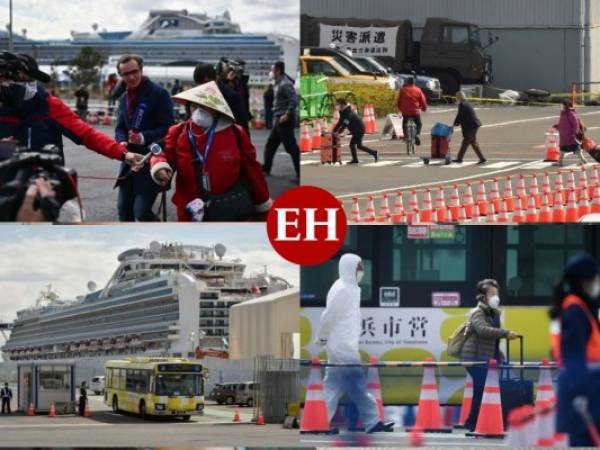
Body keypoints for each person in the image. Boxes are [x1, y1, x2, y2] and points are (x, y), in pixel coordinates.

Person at [150, 81, 272, 222]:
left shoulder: (236, 133)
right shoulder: (178, 132)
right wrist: (159, 166)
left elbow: (253, 170)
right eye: (195, 105)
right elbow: (164, 153)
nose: (199, 111)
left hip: (228, 207)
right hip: (188, 208)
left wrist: (262, 205)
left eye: (205, 106)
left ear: (217, 109)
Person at [0, 52, 143, 166]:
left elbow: (88, 134)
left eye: (27, 80)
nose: (11, 86)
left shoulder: (49, 105)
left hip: (45, 187)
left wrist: (123, 154)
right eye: (7, 80)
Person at [315, 253, 394, 433]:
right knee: (357, 384)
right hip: (342, 347)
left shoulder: (352, 288)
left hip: (346, 344)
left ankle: (319, 422)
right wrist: (322, 336)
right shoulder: (341, 289)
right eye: (359, 268)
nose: (362, 272)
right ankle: (372, 421)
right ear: (349, 268)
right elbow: (329, 315)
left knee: (332, 386)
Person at [114, 54, 175, 222]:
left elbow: (169, 129)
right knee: (123, 212)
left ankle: (157, 234)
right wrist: (121, 141)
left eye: (135, 71)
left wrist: (143, 138)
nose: (131, 77)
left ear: (141, 70)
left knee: (141, 212)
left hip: (151, 160)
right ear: (121, 76)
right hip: (129, 161)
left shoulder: (159, 94)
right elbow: (120, 127)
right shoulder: (124, 97)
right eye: (126, 74)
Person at [549, 255, 600, 447]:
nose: (597, 284)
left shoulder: (577, 308)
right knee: (583, 442)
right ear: (583, 281)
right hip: (584, 394)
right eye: (595, 279)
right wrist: (580, 393)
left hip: (586, 390)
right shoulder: (575, 311)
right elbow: (574, 355)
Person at [460, 278, 519, 431]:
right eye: (491, 293)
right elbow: (483, 331)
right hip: (473, 358)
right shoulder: (477, 313)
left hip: (486, 358)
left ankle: (473, 422)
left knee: (481, 389)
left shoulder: (495, 314)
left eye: (496, 293)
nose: (495, 297)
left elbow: (493, 341)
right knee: (481, 388)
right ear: (483, 297)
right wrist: (506, 333)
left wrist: (499, 356)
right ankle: (473, 422)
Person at [263, 62, 300, 178]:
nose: (271, 72)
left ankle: (299, 172)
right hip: (278, 119)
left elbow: (294, 100)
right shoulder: (278, 83)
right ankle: (266, 169)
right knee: (271, 145)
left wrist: (287, 114)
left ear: (278, 70)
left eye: (273, 70)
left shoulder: (285, 84)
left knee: (291, 148)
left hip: (284, 120)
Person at [193, 63, 249, 134]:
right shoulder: (195, 94)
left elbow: (242, 123)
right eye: (199, 84)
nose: (203, 87)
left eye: (205, 82)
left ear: (216, 78)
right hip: (201, 138)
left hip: (226, 138)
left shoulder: (230, 96)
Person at [332, 98, 378, 164]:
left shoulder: (348, 112)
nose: (336, 105)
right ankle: (356, 159)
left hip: (359, 129)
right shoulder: (342, 111)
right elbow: (340, 122)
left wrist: (338, 132)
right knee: (353, 145)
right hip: (355, 129)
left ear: (342, 105)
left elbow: (345, 123)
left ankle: (374, 153)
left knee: (358, 145)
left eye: (337, 104)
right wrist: (334, 130)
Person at [452, 91, 486, 164]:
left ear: (459, 97)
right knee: (469, 142)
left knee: (469, 142)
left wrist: (455, 124)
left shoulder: (462, 104)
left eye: (457, 97)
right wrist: (456, 123)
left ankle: (460, 158)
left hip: (471, 126)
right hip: (474, 125)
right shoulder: (467, 103)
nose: (456, 98)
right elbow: (462, 115)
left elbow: (459, 115)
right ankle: (481, 158)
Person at [553, 99, 588, 167]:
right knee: (563, 148)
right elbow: (562, 123)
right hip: (564, 134)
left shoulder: (571, 113)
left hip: (570, 134)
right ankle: (560, 162)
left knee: (575, 147)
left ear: (566, 105)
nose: (561, 106)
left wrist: (575, 132)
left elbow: (576, 124)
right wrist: (557, 126)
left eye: (562, 104)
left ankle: (583, 160)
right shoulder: (563, 113)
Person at [397, 76, 427, 145]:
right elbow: (423, 100)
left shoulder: (403, 90)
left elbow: (399, 101)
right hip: (415, 111)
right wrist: (424, 108)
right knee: (419, 123)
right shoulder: (418, 90)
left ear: (407, 82)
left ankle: (405, 136)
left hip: (405, 112)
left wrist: (400, 109)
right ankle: (417, 134)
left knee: (404, 123)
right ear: (414, 82)